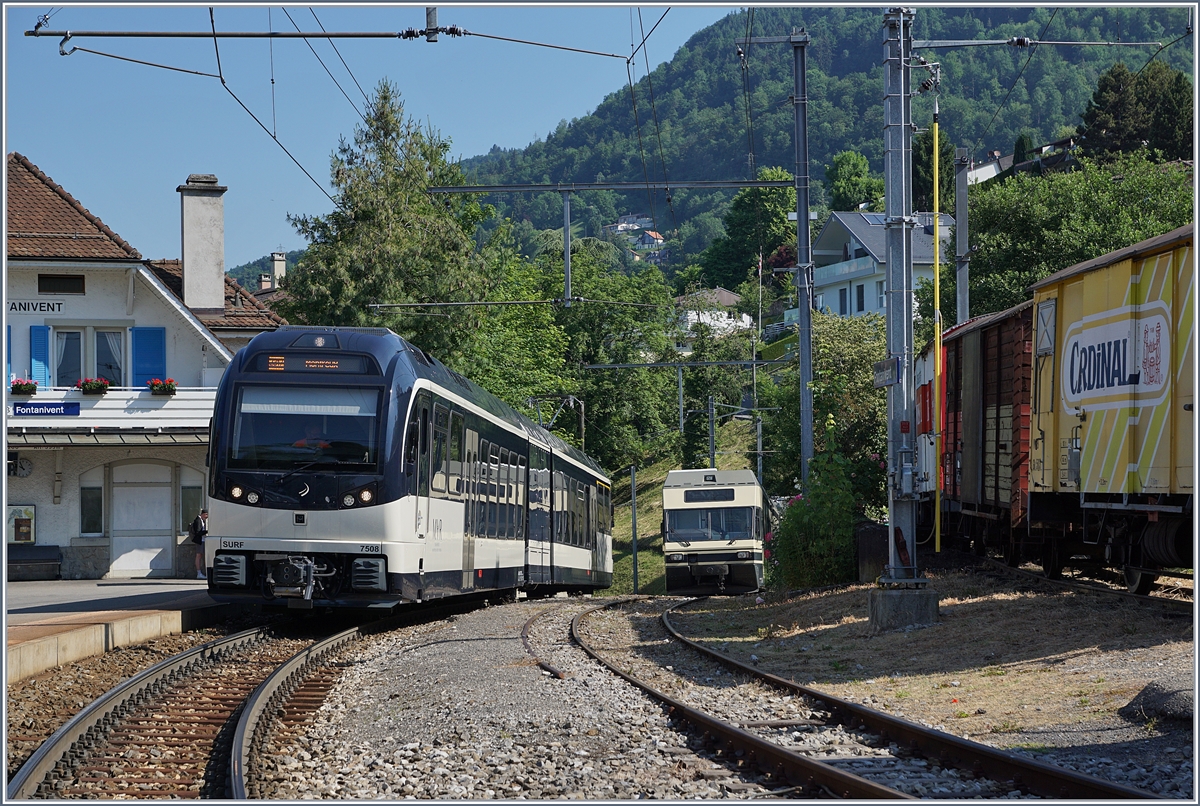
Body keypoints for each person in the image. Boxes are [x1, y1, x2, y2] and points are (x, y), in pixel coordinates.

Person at [191, 509, 209, 579]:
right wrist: (206, 531)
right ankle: (199, 572)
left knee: (201, 555)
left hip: (203, 540)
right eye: (206, 515)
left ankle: (203, 572)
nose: (207, 517)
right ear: (203, 514)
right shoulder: (198, 520)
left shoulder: (203, 520)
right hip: (200, 540)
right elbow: (198, 532)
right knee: (199, 555)